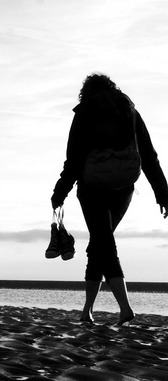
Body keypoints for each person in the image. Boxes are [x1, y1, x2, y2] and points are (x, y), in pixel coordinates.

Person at [51, 73, 168, 324]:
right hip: (123, 187)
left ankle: (125, 308)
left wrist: (60, 192)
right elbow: (148, 155)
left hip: (92, 186)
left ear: (87, 92)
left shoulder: (85, 112)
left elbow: (73, 159)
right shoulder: (130, 111)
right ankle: (87, 311)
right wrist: (162, 193)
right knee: (100, 243)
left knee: (104, 244)